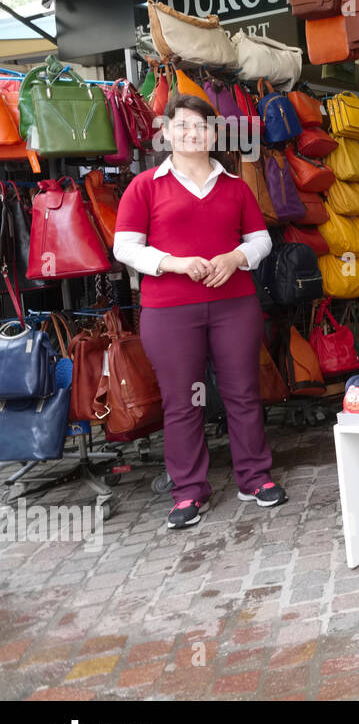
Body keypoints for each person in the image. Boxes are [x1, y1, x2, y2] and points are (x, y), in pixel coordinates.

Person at [114, 93, 286, 528]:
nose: (192, 133)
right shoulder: (145, 186)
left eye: (201, 126)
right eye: (183, 125)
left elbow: (261, 241)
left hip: (233, 305)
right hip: (171, 311)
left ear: (214, 133)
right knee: (184, 399)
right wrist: (173, 262)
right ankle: (189, 490)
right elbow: (124, 247)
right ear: (167, 133)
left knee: (242, 392)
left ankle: (254, 476)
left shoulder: (235, 186)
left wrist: (235, 258)